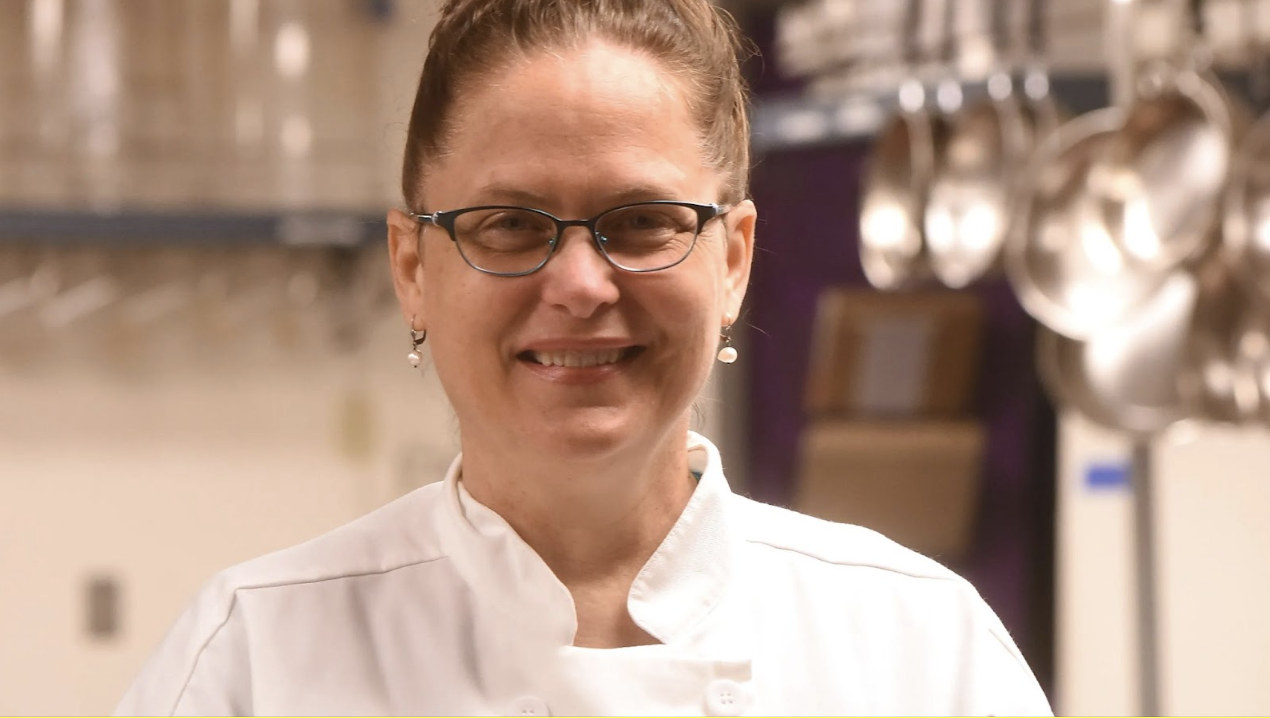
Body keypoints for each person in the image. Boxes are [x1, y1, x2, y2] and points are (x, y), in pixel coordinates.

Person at [115, 0, 1053, 714]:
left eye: (641, 221)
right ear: (412, 269)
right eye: (509, 224)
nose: (579, 284)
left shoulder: (921, 650)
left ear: (733, 262)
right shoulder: (254, 657)